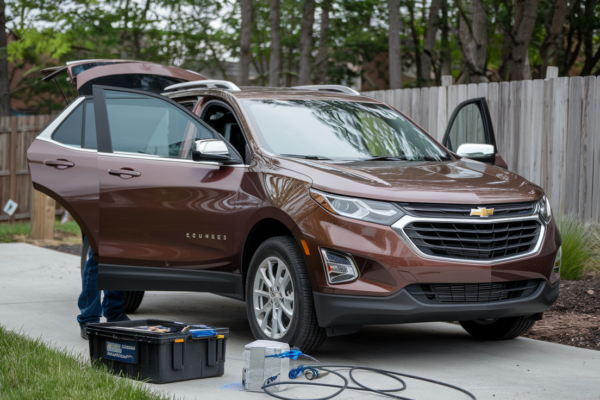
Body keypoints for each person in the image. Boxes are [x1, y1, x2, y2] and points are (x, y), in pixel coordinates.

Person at [78, 237, 129, 339]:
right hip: (98, 222)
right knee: (97, 257)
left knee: (117, 256)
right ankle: (89, 319)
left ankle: (114, 313)